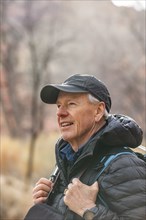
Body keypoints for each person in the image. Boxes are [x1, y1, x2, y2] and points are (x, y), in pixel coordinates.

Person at [32, 74, 145, 220]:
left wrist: (88, 210)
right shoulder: (66, 163)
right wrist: (46, 206)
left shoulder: (123, 165)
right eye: (59, 105)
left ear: (98, 111)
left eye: (71, 104)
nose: (60, 113)